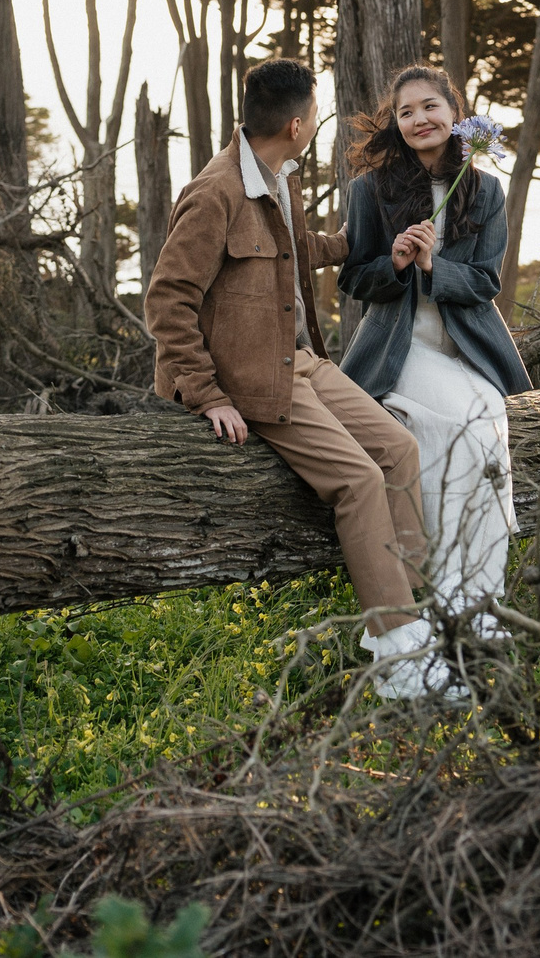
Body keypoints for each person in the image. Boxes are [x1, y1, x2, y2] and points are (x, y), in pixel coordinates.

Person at [143, 58, 463, 701]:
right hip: (254, 377)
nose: (317, 125)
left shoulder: (275, 175)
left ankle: (416, 618)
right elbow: (167, 300)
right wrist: (207, 395)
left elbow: (294, 247)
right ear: (295, 124)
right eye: (315, 115)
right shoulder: (215, 194)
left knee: (399, 449)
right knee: (358, 480)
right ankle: (400, 657)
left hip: (300, 359)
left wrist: (359, 244)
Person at [339, 65, 533, 642]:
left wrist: (434, 266)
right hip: (404, 348)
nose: (419, 119)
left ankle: (483, 601)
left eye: (430, 107)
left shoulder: (486, 189)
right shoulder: (369, 190)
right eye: (405, 113)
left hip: (466, 346)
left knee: (490, 421)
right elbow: (353, 278)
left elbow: (485, 282)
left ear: (456, 113)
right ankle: (451, 593)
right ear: (395, 125)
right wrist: (395, 264)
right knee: (465, 426)